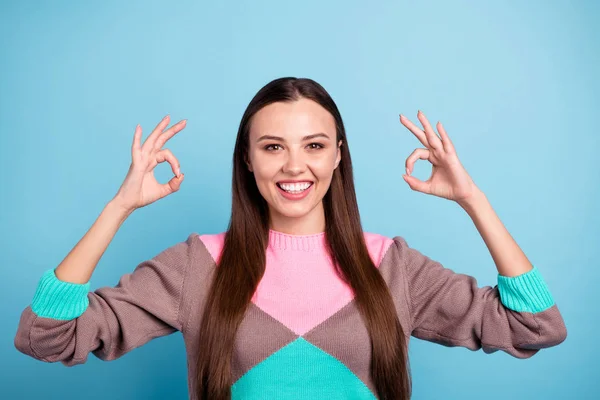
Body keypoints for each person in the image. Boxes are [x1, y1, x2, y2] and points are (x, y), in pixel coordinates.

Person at [14, 77, 567, 400]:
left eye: (315, 145)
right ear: (248, 161)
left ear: (338, 154)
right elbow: (47, 338)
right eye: (273, 146)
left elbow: (534, 326)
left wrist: (474, 200)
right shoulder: (196, 266)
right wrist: (118, 209)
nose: (294, 165)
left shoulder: (392, 266)